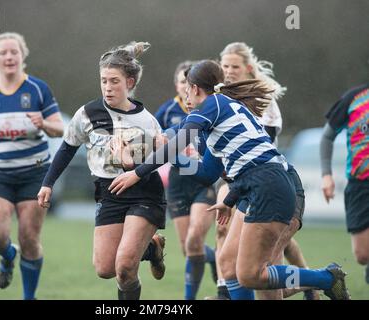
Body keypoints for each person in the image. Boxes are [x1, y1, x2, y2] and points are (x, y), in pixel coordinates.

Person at [109, 59, 351, 300]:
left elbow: (177, 141)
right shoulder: (212, 121)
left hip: (269, 185)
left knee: (252, 276)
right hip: (255, 187)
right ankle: (317, 281)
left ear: (194, 89)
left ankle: (325, 279)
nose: (184, 94)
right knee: (229, 265)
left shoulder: (213, 104)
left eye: (187, 87)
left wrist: (138, 172)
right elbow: (206, 172)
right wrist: (153, 152)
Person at [37, 42, 166, 300]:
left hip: (144, 194)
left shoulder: (147, 121)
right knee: (105, 269)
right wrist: (47, 183)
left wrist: (131, 163)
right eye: (103, 81)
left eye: (114, 81)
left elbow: (160, 159)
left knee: (125, 268)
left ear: (129, 83)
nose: (108, 87)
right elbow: (67, 149)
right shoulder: (87, 113)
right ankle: (151, 249)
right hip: (108, 194)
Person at [210, 42, 319, 300]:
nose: (228, 71)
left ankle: (313, 279)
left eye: (234, 66)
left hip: (268, 183)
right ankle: (226, 293)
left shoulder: (263, 101)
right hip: (243, 184)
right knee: (231, 257)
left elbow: (259, 152)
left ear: (248, 68)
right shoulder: (223, 100)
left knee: (262, 272)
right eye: (224, 66)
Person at [0, 32, 64, 300]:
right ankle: (8, 255)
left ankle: (29, 297)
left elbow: (59, 129)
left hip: (35, 173)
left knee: (30, 238)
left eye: (14, 52)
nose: (9, 57)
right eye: (3, 52)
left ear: (22, 56)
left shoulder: (38, 89)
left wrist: (44, 123)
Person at [155, 61, 217, 300]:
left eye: (189, 83)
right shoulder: (167, 111)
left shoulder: (207, 109)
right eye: (181, 82)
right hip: (178, 183)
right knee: (187, 248)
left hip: (203, 182)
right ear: (176, 84)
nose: (185, 87)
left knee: (194, 239)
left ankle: (187, 301)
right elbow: (155, 142)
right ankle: (214, 257)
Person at [320, 82, 369, 284]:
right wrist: (326, 175)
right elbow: (327, 137)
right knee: (362, 255)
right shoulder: (355, 97)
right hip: (360, 184)